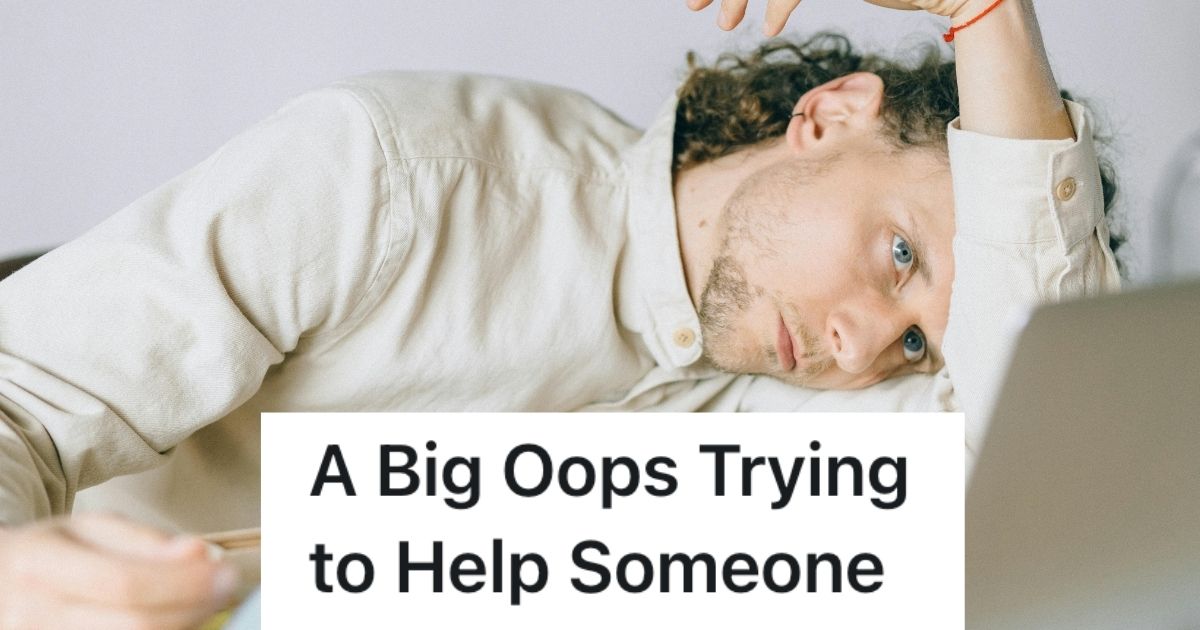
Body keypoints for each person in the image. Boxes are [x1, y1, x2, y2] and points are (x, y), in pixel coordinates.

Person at [0, 0, 1119, 627]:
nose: (866, 344)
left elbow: (1049, 490)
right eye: (900, 254)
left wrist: (992, 20)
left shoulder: (788, 403)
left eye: (920, 340)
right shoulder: (400, 176)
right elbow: (21, 400)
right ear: (827, 117)